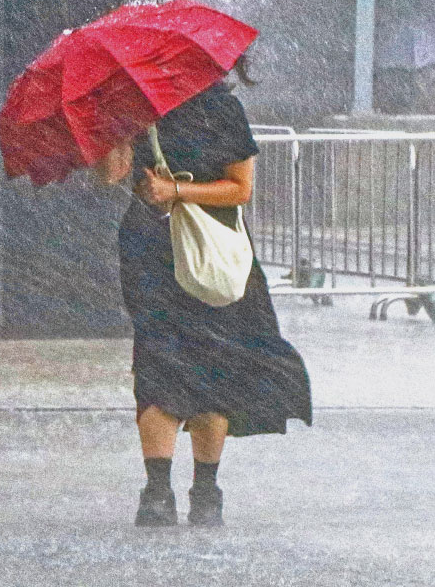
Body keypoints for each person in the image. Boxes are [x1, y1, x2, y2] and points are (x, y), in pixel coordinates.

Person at [93, 56, 313, 528]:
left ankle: (204, 489)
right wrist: (114, 133)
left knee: (211, 361)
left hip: (211, 251)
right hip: (153, 251)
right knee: (159, 360)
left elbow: (239, 188)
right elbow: (111, 174)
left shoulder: (220, 110)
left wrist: (177, 191)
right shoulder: (133, 109)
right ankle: (159, 491)